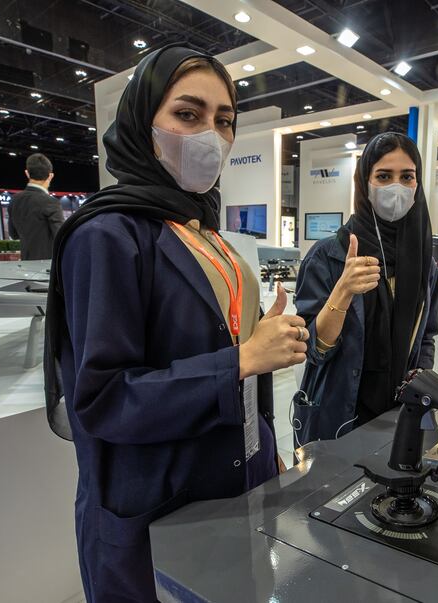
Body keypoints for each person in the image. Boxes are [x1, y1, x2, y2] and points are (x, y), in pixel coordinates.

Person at [43, 45, 309, 602]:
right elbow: (102, 398)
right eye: (188, 114)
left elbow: (232, 354)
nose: (210, 134)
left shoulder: (207, 234)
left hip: (232, 485)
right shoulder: (107, 235)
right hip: (157, 506)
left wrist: (265, 443)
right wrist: (242, 359)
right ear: (144, 120)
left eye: (224, 120)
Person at [293, 132, 438, 445]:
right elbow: (312, 349)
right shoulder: (328, 256)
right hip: (340, 413)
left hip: (399, 412)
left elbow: (426, 335)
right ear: (364, 182)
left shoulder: (423, 263)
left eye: (407, 177)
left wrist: (419, 380)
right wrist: (343, 291)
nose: (396, 187)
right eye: (383, 176)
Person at [8, 153, 64, 259]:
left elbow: (13, 234)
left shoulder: (15, 200)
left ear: (27, 173)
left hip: (26, 262)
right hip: (49, 266)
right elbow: (61, 236)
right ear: (50, 175)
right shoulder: (51, 202)